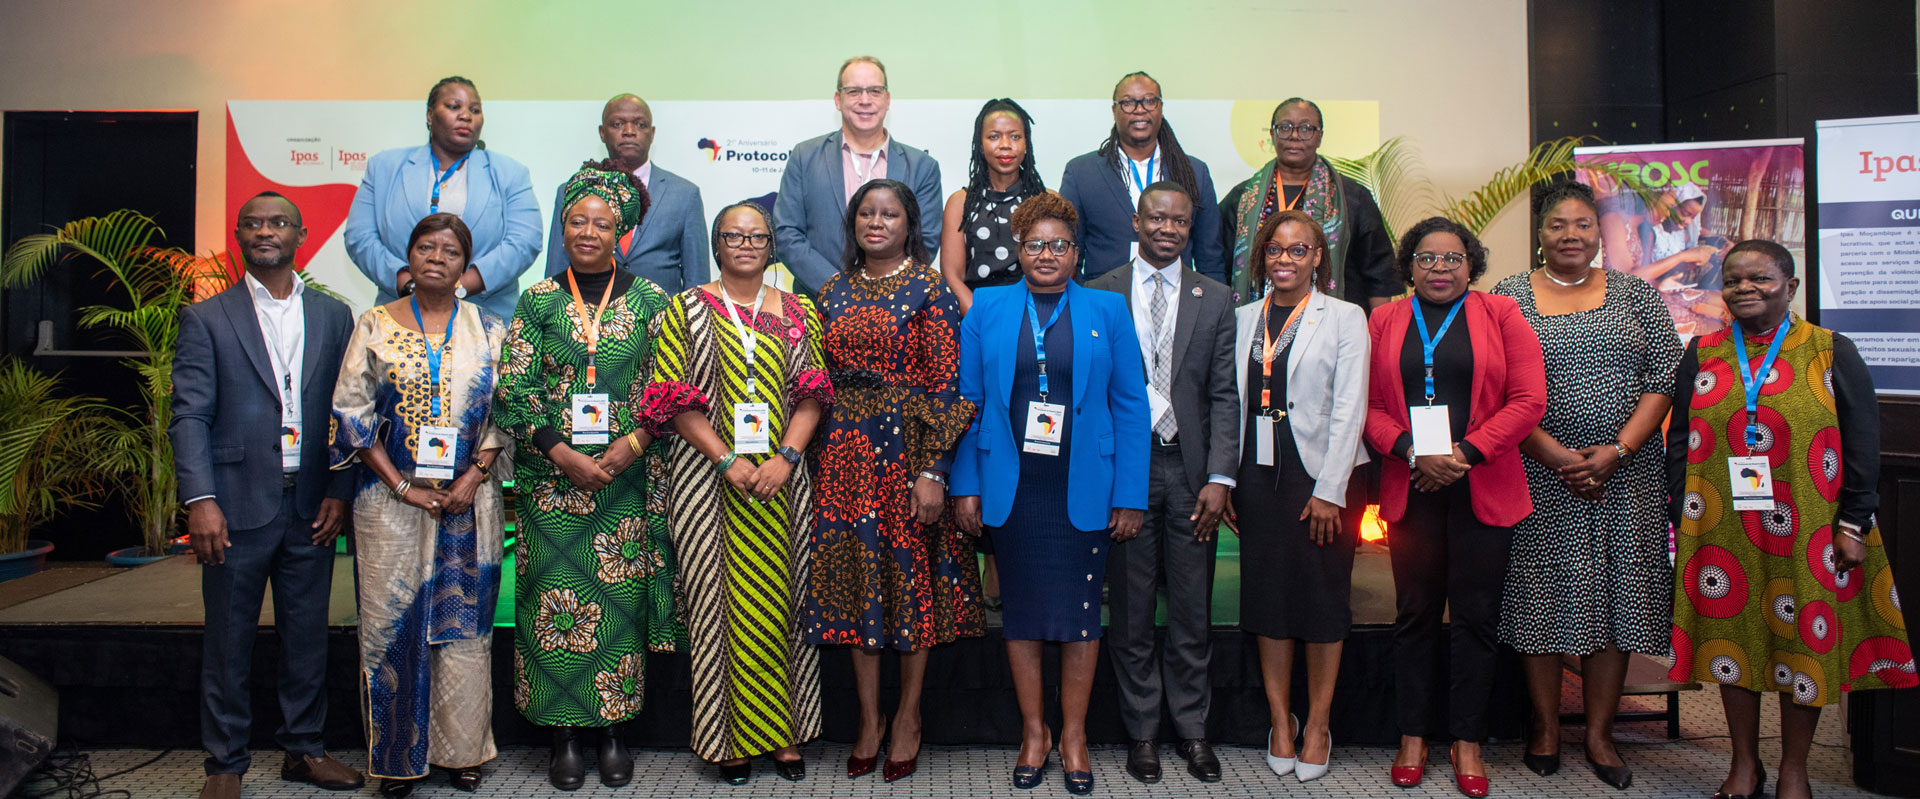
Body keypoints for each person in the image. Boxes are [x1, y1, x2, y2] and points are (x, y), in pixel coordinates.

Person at [1666, 240, 1915, 799]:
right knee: (1732, 641)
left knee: (1803, 642)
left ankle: (1795, 768)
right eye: (1733, 280)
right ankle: (1744, 765)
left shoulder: (1829, 350)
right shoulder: (1704, 352)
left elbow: (1863, 443)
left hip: (1808, 528)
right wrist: (1681, 508)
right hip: (1722, 527)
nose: (1745, 289)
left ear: (1792, 286)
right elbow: (1680, 436)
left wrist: (1854, 523)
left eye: (1760, 279)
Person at [952, 191, 1150, 796]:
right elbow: (968, 403)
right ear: (1019, 248)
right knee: (1023, 618)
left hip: (1083, 485)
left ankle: (1074, 736)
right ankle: (1034, 733)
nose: (1046, 254)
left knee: (1080, 617)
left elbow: (1130, 405)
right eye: (1035, 244)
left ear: (1076, 252)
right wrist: (965, 485)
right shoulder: (985, 306)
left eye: (1059, 245)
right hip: (1012, 487)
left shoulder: (1107, 310)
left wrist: (1131, 494)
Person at [497, 165, 687, 790]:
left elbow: (668, 389)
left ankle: (613, 732)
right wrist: (561, 453)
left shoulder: (652, 301)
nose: (587, 231)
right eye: (576, 220)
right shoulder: (538, 300)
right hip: (553, 484)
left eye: (600, 223)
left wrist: (627, 448)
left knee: (614, 611)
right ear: (563, 227)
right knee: (552, 608)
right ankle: (563, 738)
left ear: (621, 234)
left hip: (623, 484)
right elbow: (515, 390)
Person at [171, 192, 363, 799]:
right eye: (252, 223)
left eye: (278, 222)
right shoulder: (207, 317)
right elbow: (189, 417)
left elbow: (347, 411)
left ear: (301, 235)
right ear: (239, 235)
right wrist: (200, 499)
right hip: (233, 503)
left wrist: (338, 487)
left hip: (310, 501)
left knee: (306, 636)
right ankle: (224, 764)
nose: (265, 231)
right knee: (228, 639)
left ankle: (304, 752)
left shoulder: (334, 316)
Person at [1490, 182, 1681, 790]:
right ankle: (1545, 727)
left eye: (1581, 225)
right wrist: (1552, 453)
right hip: (1535, 471)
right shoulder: (1507, 297)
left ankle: (1600, 733)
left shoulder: (1637, 296)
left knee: (1616, 600)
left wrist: (1617, 451)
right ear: (1540, 234)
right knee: (1539, 599)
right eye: (1557, 226)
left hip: (1628, 477)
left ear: (1598, 233)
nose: (1570, 235)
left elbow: (1664, 380)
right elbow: (1493, 387)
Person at [639, 201, 833, 785]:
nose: (745, 244)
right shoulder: (685, 309)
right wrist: (726, 459)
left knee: (783, 606)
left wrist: (786, 458)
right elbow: (670, 400)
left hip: (782, 481)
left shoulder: (799, 312)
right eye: (732, 235)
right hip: (706, 483)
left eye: (756, 236)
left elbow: (813, 395)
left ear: (772, 246)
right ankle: (726, 739)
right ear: (717, 245)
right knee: (715, 611)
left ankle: (785, 734)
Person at [805, 179, 982, 782]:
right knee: (859, 587)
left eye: (890, 214)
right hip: (843, 460)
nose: (876, 222)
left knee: (911, 587)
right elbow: (815, 382)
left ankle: (908, 716)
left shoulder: (929, 288)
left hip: (906, 457)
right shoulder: (831, 290)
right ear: (852, 223)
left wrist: (933, 470)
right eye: (866, 213)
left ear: (910, 225)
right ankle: (868, 719)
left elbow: (947, 385)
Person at [1363, 217, 1546, 798]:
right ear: (1408, 266)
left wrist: (1464, 453)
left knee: (1475, 618)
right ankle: (1413, 736)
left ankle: (1466, 740)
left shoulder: (1503, 315)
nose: (1439, 268)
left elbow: (1528, 400)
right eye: (1426, 258)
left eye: (1451, 258)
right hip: (1411, 482)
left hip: (1481, 483)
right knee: (1415, 614)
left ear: (1472, 264)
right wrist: (1413, 451)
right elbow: (1365, 403)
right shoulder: (1384, 319)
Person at [329, 213, 510, 797]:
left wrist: (472, 477)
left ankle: (462, 754)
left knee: (465, 630)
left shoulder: (489, 329)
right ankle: (396, 757)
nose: (437, 256)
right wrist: (404, 486)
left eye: (451, 250)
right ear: (408, 259)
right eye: (426, 247)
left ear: (465, 266)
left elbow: (506, 413)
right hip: (389, 503)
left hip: (468, 501)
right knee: (390, 627)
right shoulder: (374, 325)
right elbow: (351, 416)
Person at [1084, 181, 1236, 785]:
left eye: (1178, 220)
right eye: (1156, 218)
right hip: (1129, 468)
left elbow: (1224, 395)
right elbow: (1094, 396)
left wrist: (1221, 477)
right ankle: (1143, 732)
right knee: (1131, 610)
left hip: (1193, 473)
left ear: (1190, 226)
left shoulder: (1215, 296)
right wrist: (1113, 481)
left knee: (1193, 612)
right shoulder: (1099, 293)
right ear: (1137, 221)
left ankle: (1193, 732)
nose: (1167, 228)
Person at [1224, 209, 1371, 784]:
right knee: (1268, 602)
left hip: (1322, 479)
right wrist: (1227, 479)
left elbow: (1349, 406)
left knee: (1321, 601)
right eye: (1275, 250)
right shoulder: (1241, 318)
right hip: (1257, 477)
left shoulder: (1345, 317)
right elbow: (1228, 404)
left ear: (1318, 258)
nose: (1285, 259)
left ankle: (1318, 724)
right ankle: (1280, 722)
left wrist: (1331, 491)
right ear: (1261, 256)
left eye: (1299, 250)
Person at [344, 76, 542, 321]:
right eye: (454, 106)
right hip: (399, 313)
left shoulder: (510, 172)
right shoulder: (384, 167)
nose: (466, 115)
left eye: (475, 110)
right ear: (430, 116)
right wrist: (407, 284)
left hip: (486, 318)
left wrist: (461, 287)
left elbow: (524, 241)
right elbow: (360, 237)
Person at [775, 56, 943, 294]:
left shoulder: (922, 167)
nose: (865, 100)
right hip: (818, 306)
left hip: (895, 309)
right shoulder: (804, 157)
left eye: (874, 91)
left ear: (887, 99)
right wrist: (837, 288)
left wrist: (883, 287)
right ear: (837, 99)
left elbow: (925, 240)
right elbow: (786, 233)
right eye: (854, 91)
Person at [1222, 98, 1397, 309]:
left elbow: (1379, 275)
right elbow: (1220, 267)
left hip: (1334, 325)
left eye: (1306, 128)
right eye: (1285, 128)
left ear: (1319, 136)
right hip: (1258, 322)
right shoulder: (1241, 198)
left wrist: (1375, 336)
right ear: (1272, 134)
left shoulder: (1353, 197)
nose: (1295, 136)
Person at [1060, 71, 1225, 283]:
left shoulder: (1195, 172)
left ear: (1161, 107)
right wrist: (1086, 301)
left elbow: (1210, 258)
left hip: (1178, 304)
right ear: (1114, 111)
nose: (1139, 110)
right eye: (1128, 102)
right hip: (1104, 303)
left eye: (1149, 101)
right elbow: (1068, 253)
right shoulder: (1081, 172)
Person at [542, 94, 710, 294]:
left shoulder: (685, 194)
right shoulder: (572, 191)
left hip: (663, 320)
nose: (629, 132)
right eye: (617, 124)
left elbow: (697, 284)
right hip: (588, 318)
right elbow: (556, 270)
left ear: (652, 133)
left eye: (640, 125)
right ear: (602, 133)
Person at [940, 98, 1046, 313]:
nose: (1005, 144)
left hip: (1036, 314)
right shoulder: (960, 202)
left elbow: (1061, 269)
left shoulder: (1044, 200)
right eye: (994, 137)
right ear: (980, 145)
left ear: (1027, 144)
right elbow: (952, 277)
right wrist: (982, 320)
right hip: (977, 314)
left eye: (1015, 136)